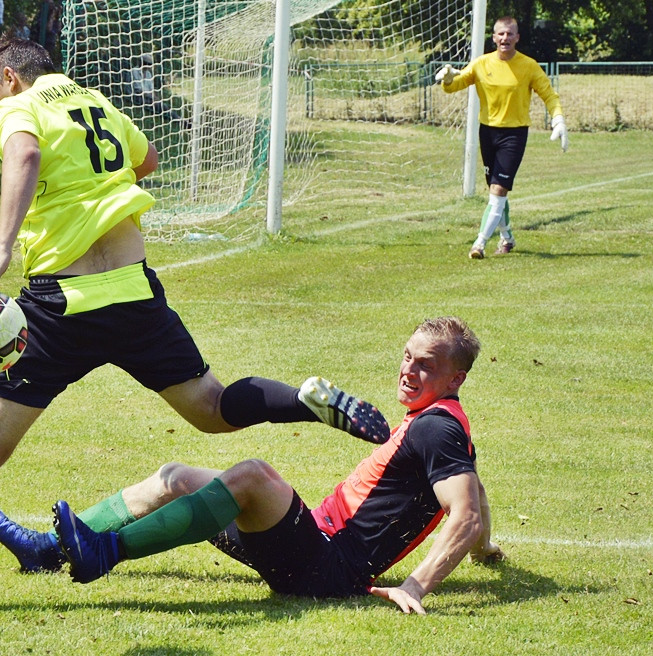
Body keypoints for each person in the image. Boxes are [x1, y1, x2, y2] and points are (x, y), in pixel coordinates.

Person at [0, 38, 391, 477]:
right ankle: (303, 398)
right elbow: (147, 158)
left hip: (63, 306)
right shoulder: (94, 99)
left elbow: (25, 153)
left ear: (10, 77)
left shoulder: (19, 106)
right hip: (134, 293)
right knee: (212, 407)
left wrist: (4, 243)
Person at [0, 316, 503, 615]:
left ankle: (103, 552)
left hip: (326, 569)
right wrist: (485, 551)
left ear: (455, 377)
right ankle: (48, 550)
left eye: (425, 366)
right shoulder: (443, 423)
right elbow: (472, 496)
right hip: (312, 546)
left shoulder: (437, 427)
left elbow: (464, 511)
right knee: (176, 477)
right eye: (408, 356)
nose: (408, 371)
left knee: (254, 476)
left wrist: (416, 585)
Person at [436, 16, 568, 259]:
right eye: (500, 34)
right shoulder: (481, 63)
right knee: (496, 190)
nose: (505, 38)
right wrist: (447, 79)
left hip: (514, 135)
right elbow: (458, 83)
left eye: (509, 34)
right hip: (487, 132)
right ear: (494, 38)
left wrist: (558, 119)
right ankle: (507, 237)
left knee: (498, 189)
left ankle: (479, 243)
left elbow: (549, 95)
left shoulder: (529, 66)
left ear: (517, 37)